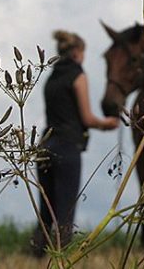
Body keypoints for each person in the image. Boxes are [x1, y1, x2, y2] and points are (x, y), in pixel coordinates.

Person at [31, 30, 119, 257]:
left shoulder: (51, 78)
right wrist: (106, 124)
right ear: (78, 53)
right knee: (65, 210)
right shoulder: (78, 75)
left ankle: (36, 257)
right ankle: (60, 259)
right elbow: (87, 118)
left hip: (44, 145)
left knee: (45, 210)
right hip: (67, 147)